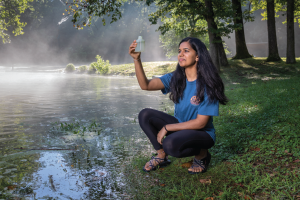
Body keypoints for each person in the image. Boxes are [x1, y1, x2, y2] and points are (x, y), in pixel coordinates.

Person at [128, 37, 227, 174]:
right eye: (179, 51)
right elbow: (146, 85)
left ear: (197, 56)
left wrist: (167, 127)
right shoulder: (176, 78)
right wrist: (136, 59)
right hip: (181, 126)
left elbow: (200, 123)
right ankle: (161, 156)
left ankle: (202, 155)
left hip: (202, 134)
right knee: (145, 115)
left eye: (186, 51)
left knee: (170, 145)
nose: (180, 54)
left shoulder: (208, 84)